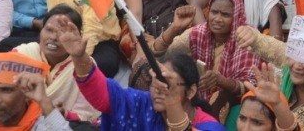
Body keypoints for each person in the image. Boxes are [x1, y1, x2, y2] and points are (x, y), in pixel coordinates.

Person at [59, 13, 225, 131]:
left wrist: (172, 102)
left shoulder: (209, 126)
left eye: (166, 83)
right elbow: (103, 96)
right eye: (155, 82)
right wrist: (80, 57)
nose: (159, 90)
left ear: (191, 91)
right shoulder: (142, 103)